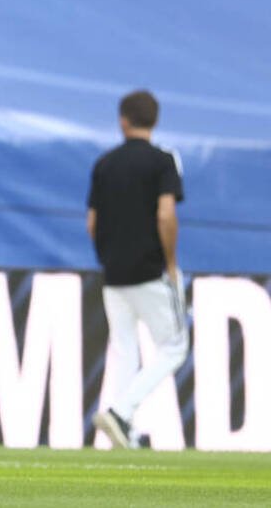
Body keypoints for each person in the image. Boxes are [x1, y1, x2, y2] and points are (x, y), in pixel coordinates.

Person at [88, 90, 188, 449]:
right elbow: (166, 214)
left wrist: (107, 256)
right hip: (149, 270)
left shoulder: (104, 164)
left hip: (113, 273)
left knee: (125, 349)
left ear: (123, 120)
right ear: (155, 120)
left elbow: (92, 222)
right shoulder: (163, 161)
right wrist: (172, 263)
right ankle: (121, 413)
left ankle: (121, 427)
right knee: (175, 346)